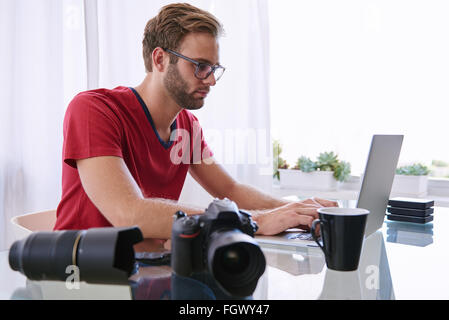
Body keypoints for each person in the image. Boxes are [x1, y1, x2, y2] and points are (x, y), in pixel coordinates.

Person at [54, 3, 337, 247]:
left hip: (150, 273)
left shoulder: (186, 125)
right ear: (160, 59)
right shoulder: (94, 109)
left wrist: (295, 210)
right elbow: (127, 213)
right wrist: (255, 221)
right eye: (200, 66)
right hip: (86, 278)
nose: (211, 80)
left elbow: (231, 189)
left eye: (214, 68)